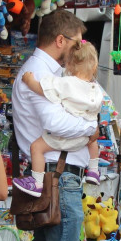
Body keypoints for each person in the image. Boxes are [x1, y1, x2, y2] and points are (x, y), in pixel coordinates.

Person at [3, 10, 95, 241]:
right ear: (61, 41)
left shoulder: (47, 72)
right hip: (57, 174)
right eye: (76, 42)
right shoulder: (41, 74)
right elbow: (54, 121)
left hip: (49, 172)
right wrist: (90, 128)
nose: (78, 48)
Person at [12, 41, 103, 195]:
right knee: (94, 141)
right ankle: (94, 170)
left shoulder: (66, 83)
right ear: (94, 66)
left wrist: (29, 81)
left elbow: (44, 90)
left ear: (69, 65)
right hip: (84, 140)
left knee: (37, 148)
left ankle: (37, 182)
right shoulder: (97, 90)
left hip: (62, 139)